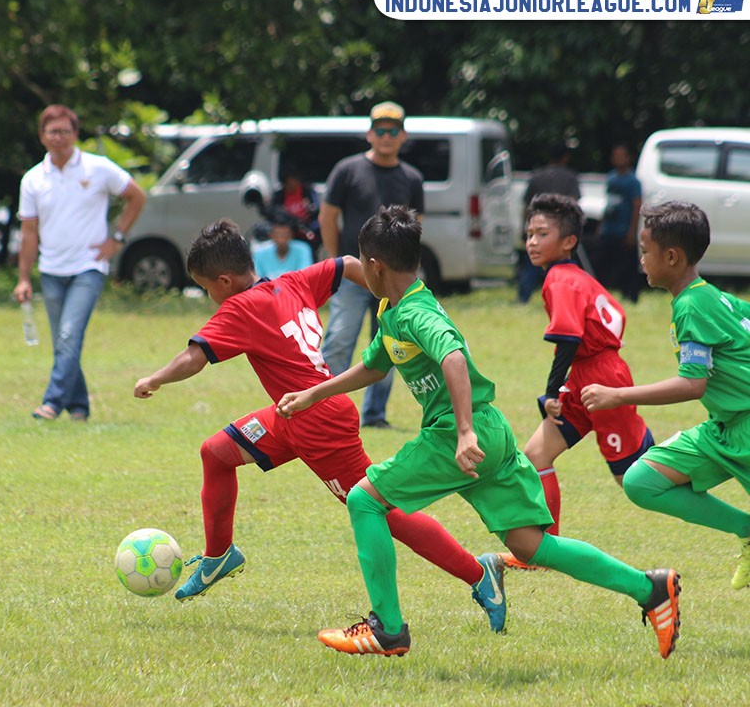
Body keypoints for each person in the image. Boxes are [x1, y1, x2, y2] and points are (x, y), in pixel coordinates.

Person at [276, 205, 681, 659]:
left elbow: (451, 356)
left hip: (459, 434)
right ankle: (648, 588)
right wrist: (314, 394)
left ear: (375, 266)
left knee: (364, 500)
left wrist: (464, 432)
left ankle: (387, 629)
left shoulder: (416, 313)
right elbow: (374, 365)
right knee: (530, 545)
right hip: (489, 431)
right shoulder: (395, 309)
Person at [133, 219, 507, 631]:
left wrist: (155, 379)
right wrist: (391, 293)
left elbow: (195, 357)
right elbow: (346, 264)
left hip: (319, 425)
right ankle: (219, 555)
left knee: (381, 509)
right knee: (216, 453)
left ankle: (478, 573)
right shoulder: (293, 282)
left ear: (224, 281)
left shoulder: (240, 308)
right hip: (290, 413)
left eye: (207, 288)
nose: (210, 297)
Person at [581, 201, 750, 591]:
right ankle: (746, 529)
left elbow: (693, 385)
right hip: (723, 430)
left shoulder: (693, 305)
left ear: (672, 257)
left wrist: (617, 395)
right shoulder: (707, 297)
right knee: (641, 480)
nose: (640, 259)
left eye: (645, 251)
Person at [502, 194, 655, 570]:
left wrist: (551, 393)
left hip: (602, 378)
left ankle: (694, 461)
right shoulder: (575, 276)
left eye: (543, 234)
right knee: (536, 455)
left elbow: (568, 338)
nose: (532, 242)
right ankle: (543, 552)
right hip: (587, 374)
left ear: (569, 241)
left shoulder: (561, 280)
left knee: (633, 479)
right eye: (529, 234)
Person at [14, 104, 146, 422]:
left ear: (75, 134)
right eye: (52, 131)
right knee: (64, 343)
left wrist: (117, 238)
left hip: (88, 267)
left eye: (64, 131)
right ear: (42, 136)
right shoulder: (33, 179)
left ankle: (51, 403)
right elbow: (29, 232)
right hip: (51, 270)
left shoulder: (97, 168)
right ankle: (79, 408)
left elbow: (136, 196)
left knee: (69, 336)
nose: (58, 137)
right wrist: (24, 277)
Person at [318, 101, 424, 429]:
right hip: (352, 274)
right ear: (369, 134)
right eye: (380, 130)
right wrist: (338, 263)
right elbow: (328, 217)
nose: (386, 136)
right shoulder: (347, 170)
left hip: (392, 279)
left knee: (389, 345)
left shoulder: (412, 178)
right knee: (340, 338)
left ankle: (375, 415)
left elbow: (416, 229)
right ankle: (325, 409)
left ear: (403, 136)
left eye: (393, 131)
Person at [518, 142, 581, 304]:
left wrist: (525, 230)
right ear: (565, 157)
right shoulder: (570, 177)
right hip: (561, 230)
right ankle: (565, 296)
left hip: (539, 225)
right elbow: (574, 204)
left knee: (531, 266)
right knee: (565, 268)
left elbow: (526, 206)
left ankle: (523, 297)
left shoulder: (537, 176)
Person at [593, 144, 644, 303]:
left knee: (627, 266)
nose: (618, 159)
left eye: (622, 156)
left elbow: (637, 206)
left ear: (628, 158)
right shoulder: (611, 178)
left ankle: (630, 296)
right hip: (609, 230)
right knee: (602, 264)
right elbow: (608, 204)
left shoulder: (633, 181)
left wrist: (632, 231)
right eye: (616, 156)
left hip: (624, 230)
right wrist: (601, 225)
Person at [271, 161, 320, 253]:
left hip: (306, 230)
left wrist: (310, 209)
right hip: (287, 233)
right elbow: (274, 213)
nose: (291, 185)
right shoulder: (279, 195)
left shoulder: (307, 191)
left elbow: (316, 209)